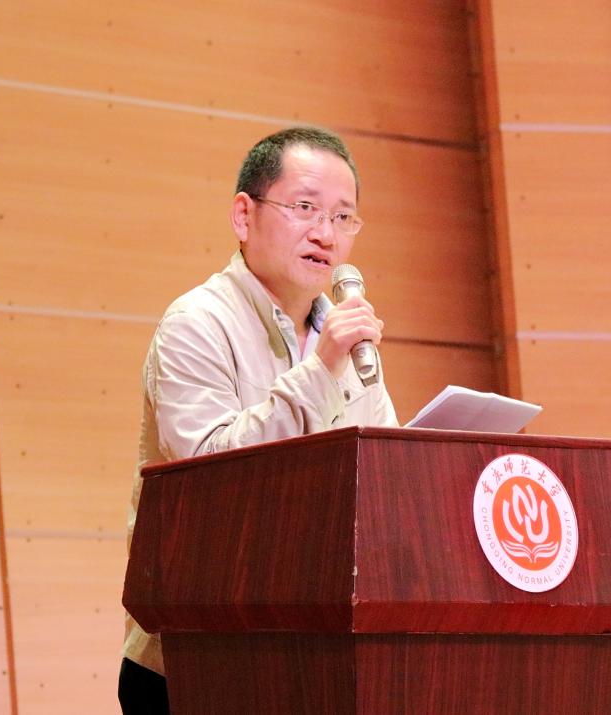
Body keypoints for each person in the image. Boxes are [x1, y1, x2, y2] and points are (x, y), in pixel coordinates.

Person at [118, 126, 398, 714]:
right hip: (198, 661)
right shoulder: (196, 324)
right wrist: (320, 371)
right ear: (244, 216)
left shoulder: (347, 341)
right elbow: (214, 475)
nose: (325, 234)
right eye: (305, 208)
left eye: (343, 217)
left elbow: (381, 479)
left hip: (314, 656)